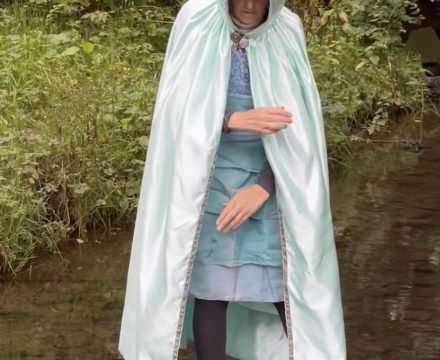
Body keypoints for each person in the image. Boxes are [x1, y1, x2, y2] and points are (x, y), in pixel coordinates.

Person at [118, 0, 346, 359]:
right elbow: (175, 113)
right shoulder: (196, 20)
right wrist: (231, 120)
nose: (250, 5)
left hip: (272, 181)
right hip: (206, 181)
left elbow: (301, 134)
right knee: (212, 291)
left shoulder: (286, 29)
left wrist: (263, 187)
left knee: (291, 289)